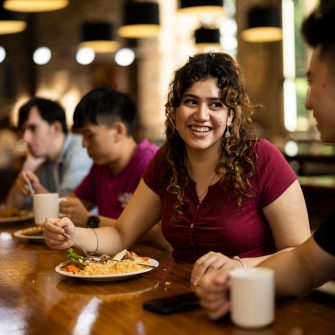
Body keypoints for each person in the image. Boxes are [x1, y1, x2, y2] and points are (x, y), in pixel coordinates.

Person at [44, 51, 310, 283]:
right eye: (191, 101)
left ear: (230, 116)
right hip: (181, 296)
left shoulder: (262, 158)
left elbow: (299, 254)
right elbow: (121, 233)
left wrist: (240, 266)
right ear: (174, 111)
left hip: (251, 298)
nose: (201, 115)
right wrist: (73, 234)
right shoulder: (166, 161)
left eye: (216, 104)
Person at [195, 1, 335, 320]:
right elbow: (307, 263)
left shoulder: (262, 156)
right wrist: (235, 278)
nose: (309, 100)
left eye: (314, 81)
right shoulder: (167, 162)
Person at [58, 86, 170, 250]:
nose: (84, 144)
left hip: (150, 265)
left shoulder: (150, 163)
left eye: (89, 135)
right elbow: (72, 205)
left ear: (118, 131)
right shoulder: (101, 166)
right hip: (110, 262)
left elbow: (163, 237)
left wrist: (91, 220)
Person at [5, 97, 92, 209]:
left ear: (56, 128)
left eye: (33, 128)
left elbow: (69, 209)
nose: (25, 138)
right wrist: (26, 170)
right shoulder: (43, 160)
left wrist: (36, 189)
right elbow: (12, 210)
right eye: (23, 130)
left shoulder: (80, 150)